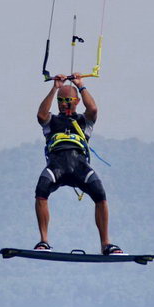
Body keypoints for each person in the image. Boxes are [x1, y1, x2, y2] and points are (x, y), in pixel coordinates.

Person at [34, 72, 122, 255]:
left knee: (100, 194)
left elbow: (94, 109)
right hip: (56, 166)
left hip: (80, 166)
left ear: (76, 101)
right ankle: (44, 241)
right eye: (61, 101)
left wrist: (80, 85)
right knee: (41, 191)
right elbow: (41, 114)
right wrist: (55, 88)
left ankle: (106, 244)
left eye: (68, 100)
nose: (64, 103)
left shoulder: (84, 121)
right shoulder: (51, 121)